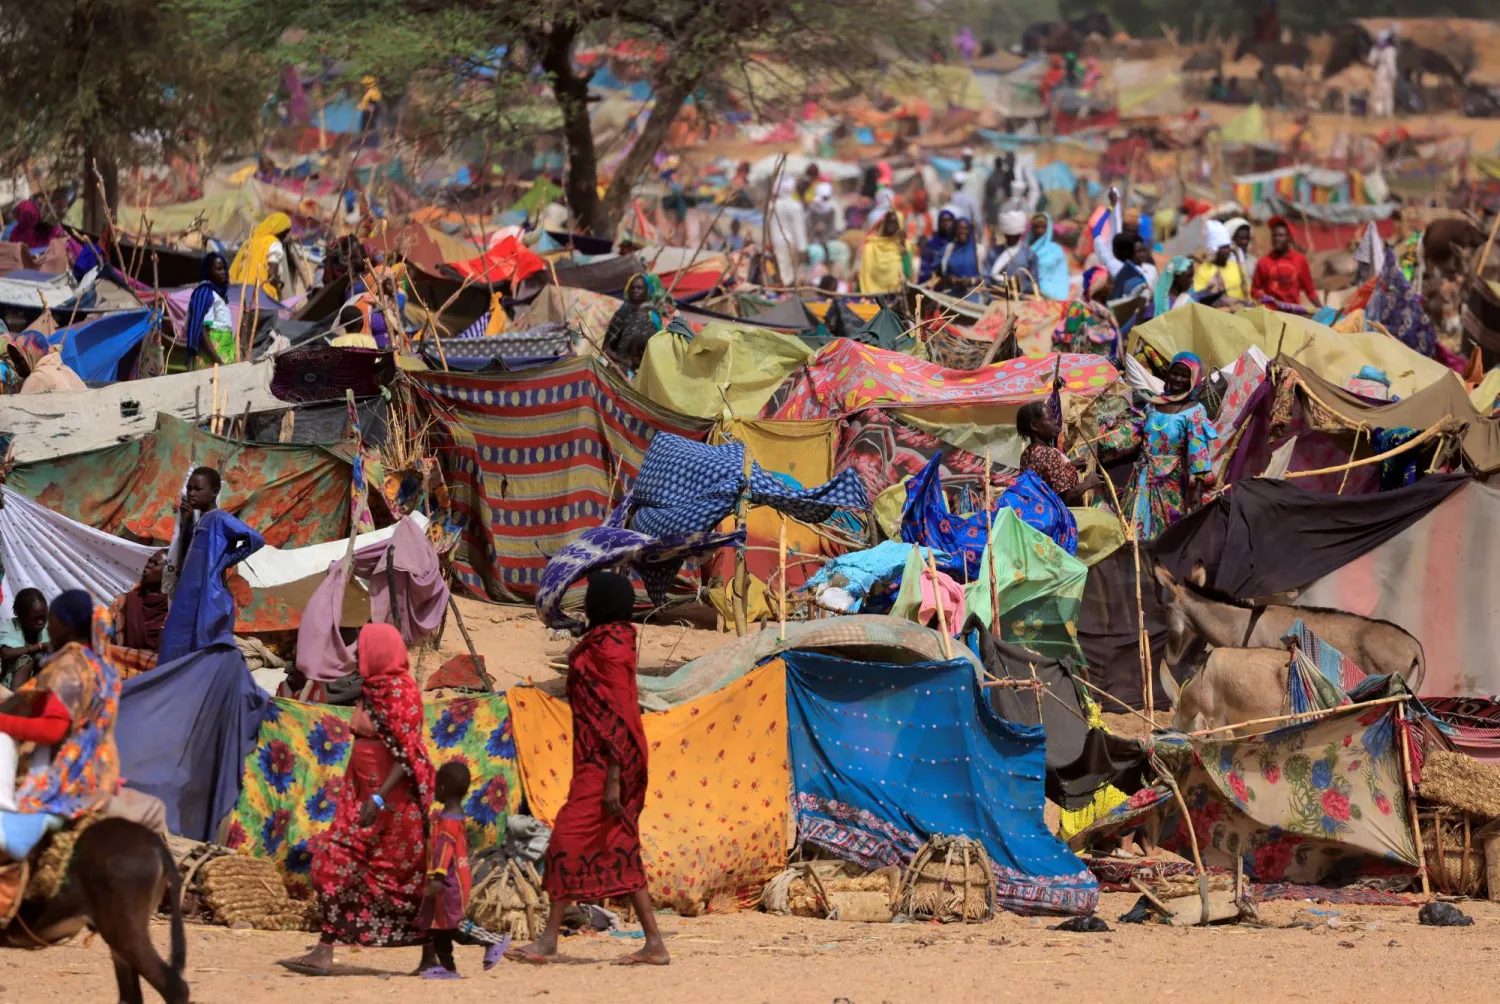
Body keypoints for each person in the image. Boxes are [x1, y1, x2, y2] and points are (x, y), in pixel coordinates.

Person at [506, 572, 668, 967]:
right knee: (620, 842)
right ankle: (654, 944)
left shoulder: (610, 649)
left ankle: (548, 940)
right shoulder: (607, 641)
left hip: (608, 763)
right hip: (596, 758)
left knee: (565, 840)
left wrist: (613, 777)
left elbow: (618, 713)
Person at [281, 623, 436, 976]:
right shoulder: (372, 688)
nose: (359, 655)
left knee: (402, 878)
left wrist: (379, 798)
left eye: (364, 649)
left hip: (394, 806)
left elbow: (407, 753)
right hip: (365, 796)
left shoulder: (400, 692)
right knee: (334, 861)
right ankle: (325, 949)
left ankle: (430, 955)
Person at [0, 590, 120, 860]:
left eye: (51, 621)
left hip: (69, 768)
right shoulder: (101, 664)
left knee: (2, 741)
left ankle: (7, 819)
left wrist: (3, 722)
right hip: (102, 765)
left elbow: (54, 729)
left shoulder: (70, 666)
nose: (48, 628)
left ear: (65, 625)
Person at [1100, 353, 1219, 540]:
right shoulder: (1153, 405)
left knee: (1168, 532)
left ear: (1194, 380)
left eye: (1184, 376)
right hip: (1142, 477)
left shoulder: (1194, 410)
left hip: (1172, 481)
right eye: (1175, 373)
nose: (1178, 379)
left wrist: (1197, 491)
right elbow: (1137, 437)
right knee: (1134, 528)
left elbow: (1199, 453)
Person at [158, 467, 265, 663]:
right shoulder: (201, 520)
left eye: (197, 489)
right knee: (177, 644)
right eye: (189, 488)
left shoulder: (219, 518)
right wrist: (186, 524)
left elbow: (255, 539)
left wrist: (226, 560)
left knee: (202, 648)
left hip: (206, 593)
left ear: (214, 492)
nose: (191, 493)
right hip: (188, 595)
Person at [413, 761, 505, 978]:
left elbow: (444, 850)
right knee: (439, 928)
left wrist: (437, 877)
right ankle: (448, 968)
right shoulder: (453, 816)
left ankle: (494, 940)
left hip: (449, 881)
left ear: (442, 788)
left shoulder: (449, 821)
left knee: (454, 925)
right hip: (451, 878)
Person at [1016, 401, 1101, 505]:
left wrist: (1069, 467)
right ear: (1034, 425)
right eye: (1050, 418)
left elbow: (1045, 479)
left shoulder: (1027, 454)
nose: (1056, 421)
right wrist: (1088, 483)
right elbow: (1065, 499)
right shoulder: (1050, 454)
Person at [106, 549, 170, 677]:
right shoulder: (124, 603)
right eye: (149, 561)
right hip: (118, 675)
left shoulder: (173, 612)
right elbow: (103, 636)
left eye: (155, 564)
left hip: (156, 680)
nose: (148, 565)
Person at [603, 274, 668, 374]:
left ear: (646, 291)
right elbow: (606, 348)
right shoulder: (622, 314)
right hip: (621, 367)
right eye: (632, 288)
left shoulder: (653, 315)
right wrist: (625, 363)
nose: (635, 291)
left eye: (639, 288)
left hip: (646, 368)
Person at [1252, 216, 1320, 309]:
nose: (1276, 239)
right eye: (1274, 235)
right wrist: (1262, 297)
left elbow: (1310, 291)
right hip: (1271, 313)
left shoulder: (1300, 260)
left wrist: (1322, 309)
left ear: (1289, 238)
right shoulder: (1263, 262)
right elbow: (1254, 290)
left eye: (1281, 235)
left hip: (1294, 312)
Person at [229, 212, 299, 300]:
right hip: (261, 296)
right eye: (285, 232)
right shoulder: (274, 243)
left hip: (241, 292)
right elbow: (272, 276)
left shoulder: (250, 241)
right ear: (279, 230)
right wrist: (279, 287)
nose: (285, 236)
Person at [182, 252, 234, 368]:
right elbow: (202, 330)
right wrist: (218, 361)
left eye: (224, 268)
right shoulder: (205, 293)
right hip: (213, 355)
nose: (223, 272)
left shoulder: (220, 295)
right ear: (208, 272)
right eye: (218, 269)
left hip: (225, 351)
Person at [0, 589, 49, 691]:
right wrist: (40, 646)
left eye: (43, 617)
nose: (40, 622)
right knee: (24, 660)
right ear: (21, 615)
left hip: (41, 682)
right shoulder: (10, 627)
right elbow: (6, 653)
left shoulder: (50, 627)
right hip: (10, 682)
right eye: (35, 618)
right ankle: (15, 699)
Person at [805, 182, 849, 281]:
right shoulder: (811, 209)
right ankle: (813, 279)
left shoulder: (831, 209)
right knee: (817, 253)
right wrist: (815, 231)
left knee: (841, 249)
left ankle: (840, 279)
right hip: (814, 241)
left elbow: (834, 228)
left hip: (829, 239)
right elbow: (807, 229)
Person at [1193, 220, 1247, 301]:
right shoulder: (1203, 271)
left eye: (1228, 247)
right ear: (1214, 250)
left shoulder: (1236, 267)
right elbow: (1197, 298)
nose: (1227, 251)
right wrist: (1209, 291)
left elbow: (1247, 291)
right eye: (1223, 248)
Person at [858, 210, 909, 295]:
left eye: (894, 223)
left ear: (900, 226)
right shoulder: (871, 246)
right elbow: (863, 275)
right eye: (888, 222)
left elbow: (907, 273)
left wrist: (903, 247)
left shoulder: (904, 246)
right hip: (870, 295)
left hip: (894, 295)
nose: (890, 225)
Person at [767, 179, 807, 287]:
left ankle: (784, 288)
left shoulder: (772, 205)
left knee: (782, 268)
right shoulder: (795, 205)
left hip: (777, 241)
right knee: (791, 269)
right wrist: (802, 247)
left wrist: (769, 241)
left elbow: (768, 226)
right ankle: (788, 289)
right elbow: (799, 228)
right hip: (791, 241)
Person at [989, 211, 1039, 293]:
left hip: (1021, 298)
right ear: (1005, 234)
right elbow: (986, 278)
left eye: (1015, 236)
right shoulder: (993, 253)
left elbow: (1034, 282)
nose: (1012, 239)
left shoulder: (1029, 255)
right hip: (996, 296)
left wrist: (1019, 284)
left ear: (1020, 234)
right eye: (1009, 236)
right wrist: (1001, 284)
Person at [937, 218, 985, 295]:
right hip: (950, 294)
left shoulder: (978, 250)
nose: (962, 231)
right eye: (959, 229)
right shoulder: (950, 248)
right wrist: (951, 279)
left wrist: (971, 280)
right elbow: (942, 273)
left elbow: (985, 277)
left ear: (969, 230)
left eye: (965, 228)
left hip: (972, 295)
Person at [919, 210, 956, 284]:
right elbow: (925, 267)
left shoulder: (958, 243)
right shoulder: (931, 244)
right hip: (935, 284)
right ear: (939, 223)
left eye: (949, 220)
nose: (946, 223)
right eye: (943, 220)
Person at [1368, 29, 1399, 118]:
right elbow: (1391, 64)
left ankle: (1379, 112)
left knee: (1378, 93)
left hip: (1378, 71)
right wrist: (1394, 75)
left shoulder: (1375, 49)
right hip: (1386, 73)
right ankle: (1388, 113)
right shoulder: (1391, 50)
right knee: (1388, 93)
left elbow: (1370, 61)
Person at [1110, 233, 1150, 300]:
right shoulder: (1136, 274)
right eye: (1138, 251)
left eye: (1143, 250)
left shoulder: (1114, 267)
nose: (1142, 254)